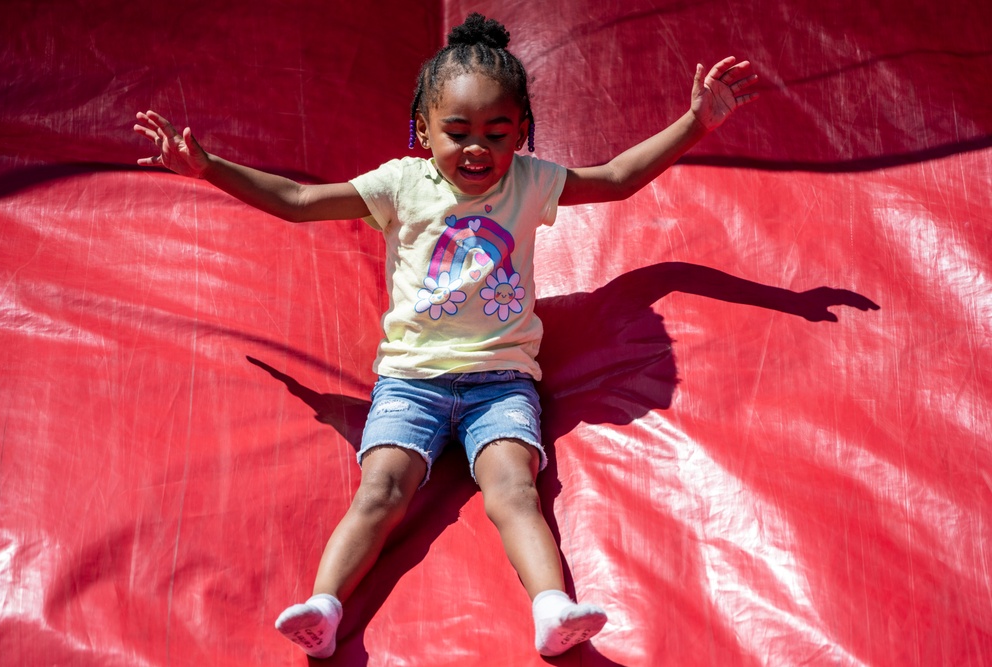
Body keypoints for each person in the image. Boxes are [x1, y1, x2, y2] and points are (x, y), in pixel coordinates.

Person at [134, 13, 757, 659]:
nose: (476, 149)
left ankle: (552, 608)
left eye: (496, 132)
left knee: (515, 489)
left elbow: (618, 179)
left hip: (501, 381)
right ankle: (324, 606)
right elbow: (297, 199)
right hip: (411, 380)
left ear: (523, 131)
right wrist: (208, 168)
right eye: (456, 132)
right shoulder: (401, 185)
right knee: (381, 487)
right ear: (423, 130)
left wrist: (696, 124)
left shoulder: (530, 181)